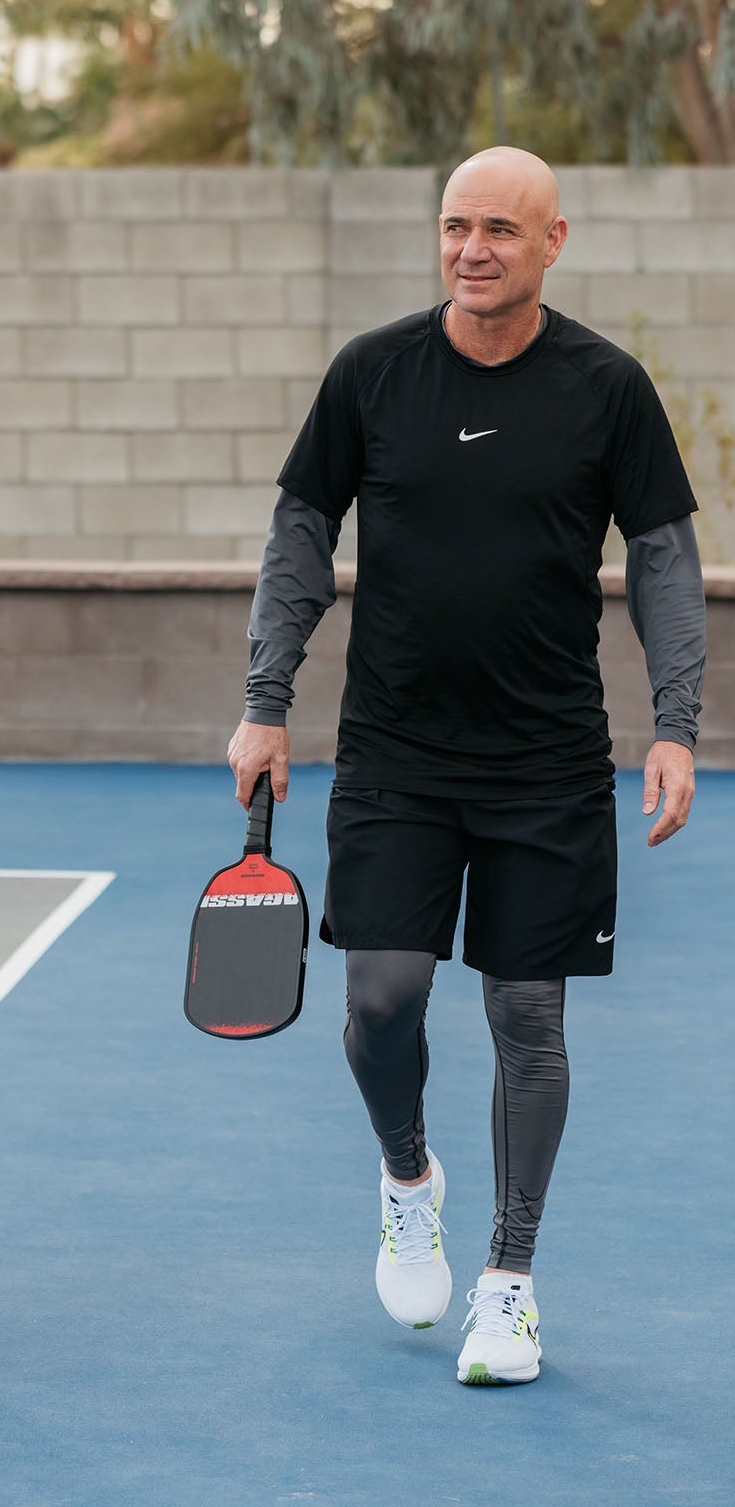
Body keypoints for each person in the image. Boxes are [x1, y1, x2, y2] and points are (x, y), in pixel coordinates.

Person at [228, 146, 706, 1386]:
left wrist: (675, 722)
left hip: (547, 762)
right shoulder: (372, 372)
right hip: (396, 753)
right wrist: (265, 702)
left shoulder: (607, 387)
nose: (471, 248)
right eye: (454, 225)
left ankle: (509, 1281)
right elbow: (299, 533)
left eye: (498, 227)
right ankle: (407, 1178)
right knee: (380, 1000)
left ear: (552, 241)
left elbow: (662, 558)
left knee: (525, 1017)